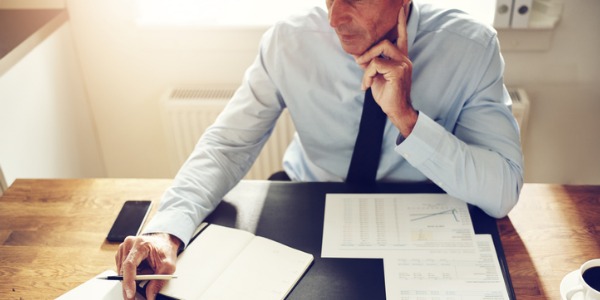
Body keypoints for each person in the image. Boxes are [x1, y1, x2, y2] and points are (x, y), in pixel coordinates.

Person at [116, 0, 524, 299]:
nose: (334, 17)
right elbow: (227, 145)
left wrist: (407, 119)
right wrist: (167, 228)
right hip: (304, 205)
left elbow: (502, 191)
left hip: (422, 222)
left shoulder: (471, 47)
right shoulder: (289, 39)